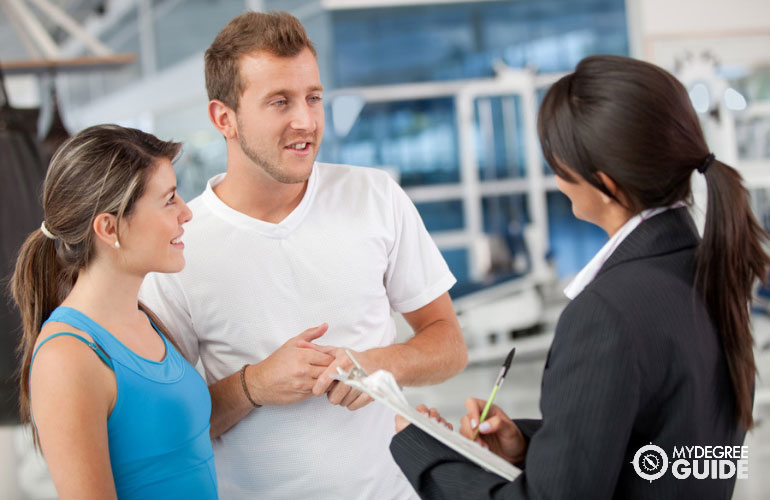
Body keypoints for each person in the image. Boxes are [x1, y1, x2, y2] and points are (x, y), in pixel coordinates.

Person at [389, 55, 770, 499]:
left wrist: (425, 450)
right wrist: (531, 446)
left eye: (558, 165)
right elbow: (664, 452)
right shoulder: (706, 270)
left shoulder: (607, 314)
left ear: (605, 184)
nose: (556, 181)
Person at [138, 11, 467, 500]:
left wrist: (379, 363)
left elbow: (448, 345)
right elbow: (169, 433)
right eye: (280, 102)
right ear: (222, 118)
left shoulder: (375, 197)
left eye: (314, 97)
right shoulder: (178, 244)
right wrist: (253, 385)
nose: (307, 121)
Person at [10, 124, 218, 499]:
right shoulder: (68, 358)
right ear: (109, 227)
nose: (186, 213)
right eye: (169, 199)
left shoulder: (144, 319)